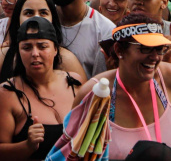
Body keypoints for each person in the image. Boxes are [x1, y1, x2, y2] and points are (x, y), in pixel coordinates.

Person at [68, 14, 171, 160]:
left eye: (159, 48)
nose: (155, 57)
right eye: (145, 48)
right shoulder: (95, 94)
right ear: (119, 50)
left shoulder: (167, 78)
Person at [0, 17, 82, 160]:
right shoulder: (6, 94)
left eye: (42, 46)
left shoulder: (75, 82)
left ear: (56, 49)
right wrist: (27, 146)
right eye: (26, 48)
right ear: (18, 52)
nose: (35, 53)